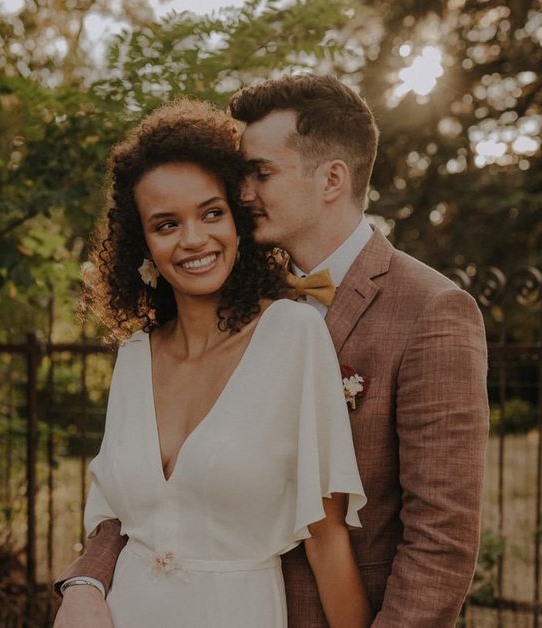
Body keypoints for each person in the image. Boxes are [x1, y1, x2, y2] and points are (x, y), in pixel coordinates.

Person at [55, 75, 490, 627]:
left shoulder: (431, 311)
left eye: (260, 174)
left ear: (332, 178)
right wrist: (86, 581)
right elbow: (150, 499)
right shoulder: (233, 300)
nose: (243, 193)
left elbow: (440, 542)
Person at [55, 99, 369, 628]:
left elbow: (327, 538)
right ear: (144, 244)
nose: (194, 239)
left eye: (211, 212)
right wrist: (82, 590)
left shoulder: (293, 336)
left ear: (238, 221)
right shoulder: (134, 358)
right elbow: (110, 518)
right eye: (166, 224)